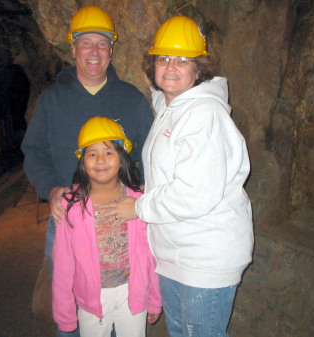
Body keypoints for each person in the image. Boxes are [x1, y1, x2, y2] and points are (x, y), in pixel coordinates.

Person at [98, 16, 254, 337]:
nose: (171, 67)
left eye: (182, 61)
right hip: (177, 255)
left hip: (204, 259)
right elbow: (162, 95)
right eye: (163, 59)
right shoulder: (174, 107)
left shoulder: (203, 114)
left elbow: (194, 193)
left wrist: (138, 208)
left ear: (199, 70)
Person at [20, 6, 154, 336]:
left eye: (102, 43)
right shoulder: (51, 100)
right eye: (86, 42)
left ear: (111, 50)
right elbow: (33, 152)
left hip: (122, 222)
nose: (94, 51)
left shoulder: (131, 100)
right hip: (70, 221)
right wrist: (51, 189)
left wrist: (141, 204)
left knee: (124, 306)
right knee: (70, 305)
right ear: (73, 47)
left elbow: (152, 158)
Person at [52, 117, 161, 337]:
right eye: (92, 153)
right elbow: (63, 263)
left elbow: (151, 254)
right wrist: (64, 314)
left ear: (122, 159)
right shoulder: (71, 206)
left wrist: (155, 299)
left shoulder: (138, 201)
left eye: (109, 152)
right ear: (83, 161)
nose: (100, 159)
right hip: (92, 299)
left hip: (133, 293)